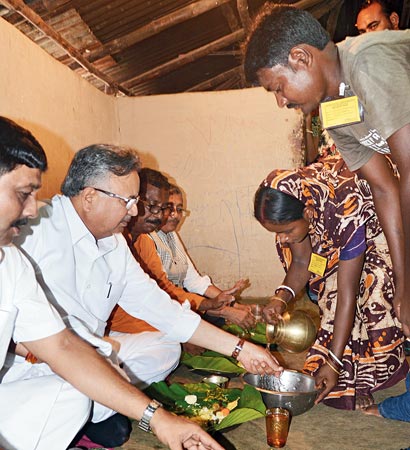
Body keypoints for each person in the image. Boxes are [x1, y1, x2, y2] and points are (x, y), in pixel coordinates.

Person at [12, 142, 282, 439]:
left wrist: (241, 349)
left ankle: (102, 399)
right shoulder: (32, 226)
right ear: (89, 197)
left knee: (165, 348)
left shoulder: (115, 245)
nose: (135, 210)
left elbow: (164, 310)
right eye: (127, 200)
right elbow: (46, 343)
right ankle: (97, 402)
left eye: (136, 200)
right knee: (79, 396)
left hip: (85, 352)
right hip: (33, 362)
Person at [0, 116, 225, 450]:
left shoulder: (10, 261)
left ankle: (96, 408)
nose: (32, 209)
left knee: (147, 355)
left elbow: (64, 346)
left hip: (68, 353)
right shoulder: (37, 231)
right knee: (89, 379)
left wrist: (159, 419)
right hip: (28, 368)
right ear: (90, 196)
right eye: (23, 194)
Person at [243, 4, 410, 338]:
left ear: (301, 58)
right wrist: (404, 285)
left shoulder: (367, 61)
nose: (281, 102)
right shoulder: (334, 110)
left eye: (277, 87)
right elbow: (384, 189)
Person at [253, 155, 408, 410]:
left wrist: (334, 361)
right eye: (276, 233)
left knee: (371, 290)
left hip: (381, 228)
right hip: (333, 229)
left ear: (308, 212)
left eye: (287, 231)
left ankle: (359, 377)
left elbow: (347, 295)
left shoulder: (346, 207)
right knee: (329, 292)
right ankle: (344, 373)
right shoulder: (303, 198)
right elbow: (302, 264)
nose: (281, 240)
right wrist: (280, 298)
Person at [109, 172, 254, 337]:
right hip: (123, 326)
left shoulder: (149, 240)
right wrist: (182, 331)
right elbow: (141, 302)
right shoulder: (117, 240)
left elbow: (173, 286)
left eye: (165, 208)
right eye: (154, 206)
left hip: (166, 308)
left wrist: (215, 304)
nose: (162, 215)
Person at [151, 184, 254, 329]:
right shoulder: (148, 239)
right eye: (169, 208)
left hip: (185, 303)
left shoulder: (172, 235)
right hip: (166, 312)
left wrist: (234, 304)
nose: (175, 215)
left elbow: (193, 281)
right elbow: (163, 296)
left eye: (179, 209)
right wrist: (225, 311)